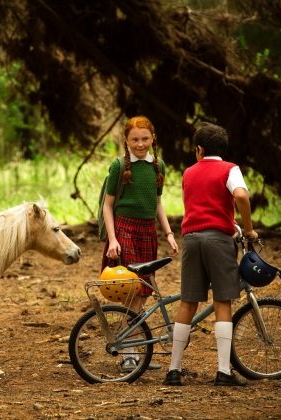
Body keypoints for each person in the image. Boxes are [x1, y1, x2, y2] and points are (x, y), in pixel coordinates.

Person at [164, 122, 258, 387]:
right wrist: (247, 229)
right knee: (222, 301)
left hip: (191, 239)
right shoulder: (230, 169)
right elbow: (240, 195)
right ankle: (223, 372)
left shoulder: (189, 172)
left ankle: (174, 370)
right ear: (223, 150)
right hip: (218, 241)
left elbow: (202, 206)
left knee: (188, 302)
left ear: (199, 150)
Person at [101, 115, 179, 372]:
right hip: (124, 229)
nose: (140, 144)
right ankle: (128, 353)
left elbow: (157, 203)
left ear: (152, 138)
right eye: (135, 139)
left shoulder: (159, 167)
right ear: (126, 140)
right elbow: (108, 205)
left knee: (143, 293)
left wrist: (168, 233)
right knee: (129, 289)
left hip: (147, 231)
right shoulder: (119, 166)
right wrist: (112, 239)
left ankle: (133, 347)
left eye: (145, 138)